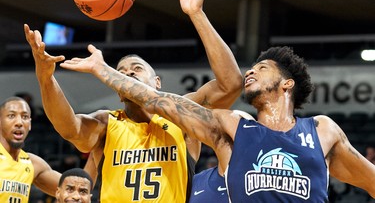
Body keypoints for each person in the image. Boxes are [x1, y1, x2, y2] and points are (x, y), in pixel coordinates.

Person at [24, 0, 242, 203]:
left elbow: (230, 84)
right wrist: (46, 78)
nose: (128, 74)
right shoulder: (106, 124)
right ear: (118, 92)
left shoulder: (182, 116)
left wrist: (197, 14)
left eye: (137, 69)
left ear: (157, 82)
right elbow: (69, 127)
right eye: (121, 72)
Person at [60, 45, 375, 202]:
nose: (250, 71)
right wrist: (104, 72)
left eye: (261, 67)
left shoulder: (322, 130)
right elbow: (158, 100)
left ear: (286, 83)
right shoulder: (233, 125)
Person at [0, 96, 61, 202]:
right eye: (11, 116)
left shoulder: (33, 163)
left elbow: (75, 187)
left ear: (30, 124)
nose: (19, 122)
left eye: (24, 117)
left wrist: (94, 153)